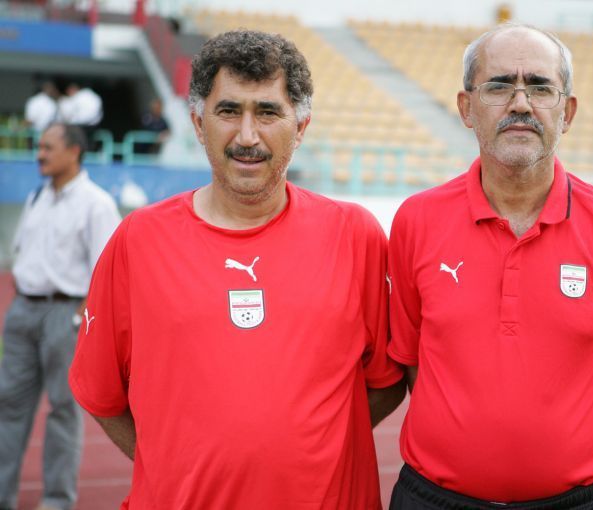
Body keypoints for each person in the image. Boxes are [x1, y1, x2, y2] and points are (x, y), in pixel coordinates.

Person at [68, 30, 406, 509]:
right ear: (198, 122)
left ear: (301, 126)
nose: (248, 137)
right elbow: (102, 394)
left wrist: (311, 449)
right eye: (229, 111)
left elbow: (386, 384)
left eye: (267, 112)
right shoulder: (137, 241)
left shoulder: (356, 236)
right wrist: (175, 462)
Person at [387, 23, 593, 510]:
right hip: (433, 499)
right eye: (499, 85)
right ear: (466, 108)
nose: (520, 103)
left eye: (540, 87)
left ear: (567, 112)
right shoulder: (416, 220)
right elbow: (414, 365)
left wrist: (571, 448)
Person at [0, 123, 121, 510]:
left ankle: (55, 499)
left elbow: (107, 273)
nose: (39, 154)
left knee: (63, 409)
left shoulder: (96, 204)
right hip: (23, 310)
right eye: (40, 146)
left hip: (63, 314)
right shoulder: (37, 196)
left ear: (74, 151)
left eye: (48, 147)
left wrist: (77, 319)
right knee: (8, 405)